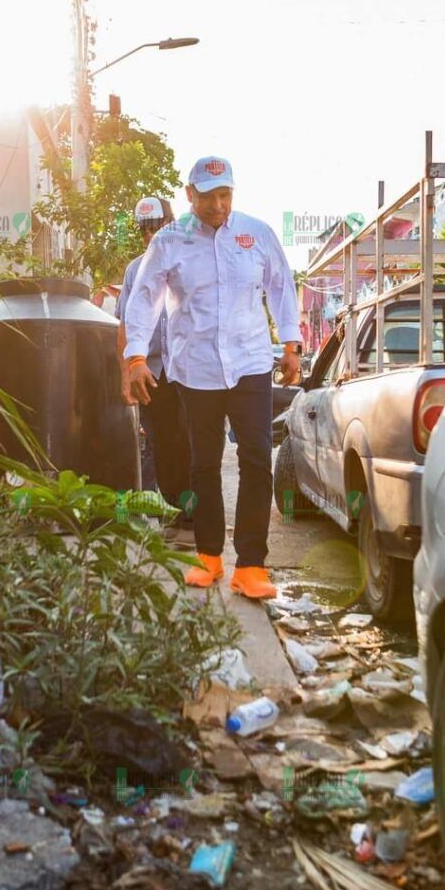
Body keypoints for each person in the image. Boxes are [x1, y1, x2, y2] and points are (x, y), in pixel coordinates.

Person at [124, 157, 301, 599]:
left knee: (257, 460)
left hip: (250, 364)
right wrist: (135, 357)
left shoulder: (256, 233)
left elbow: (281, 286)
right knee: (203, 463)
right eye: (208, 197)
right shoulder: (169, 241)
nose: (218, 205)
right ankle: (208, 556)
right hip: (196, 368)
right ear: (190, 195)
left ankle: (252, 566)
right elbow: (144, 298)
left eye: (225, 195)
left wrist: (293, 344)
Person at [114, 196, 193, 545]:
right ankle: (176, 512)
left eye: (157, 227)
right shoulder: (135, 271)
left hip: (191, 370)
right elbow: (125, 325)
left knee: (192, 443)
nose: (151, 236)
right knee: (162, 448)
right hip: (153, 372)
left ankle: (195, 519)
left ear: (171, 223)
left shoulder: (192, 261)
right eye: (145, 230)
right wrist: (126, 375)